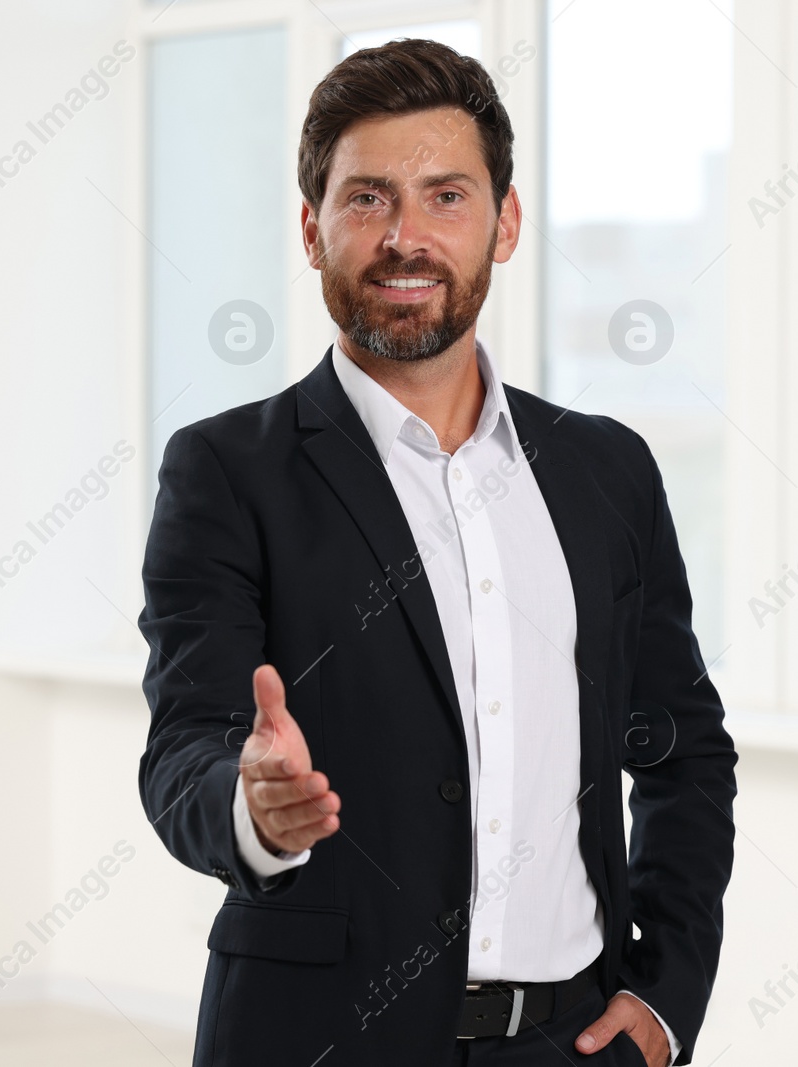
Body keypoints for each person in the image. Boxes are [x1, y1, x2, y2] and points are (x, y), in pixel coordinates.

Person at [138, 37, 737, 1067]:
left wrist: (665, 991)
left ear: (503, 225)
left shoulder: (607, 471)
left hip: (575, 1039)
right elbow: (185, 745)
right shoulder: (228, 471)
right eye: (365, 198)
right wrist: (255, 807)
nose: (404, 236)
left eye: (445, 196)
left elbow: (681, 750)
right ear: (311, 228)